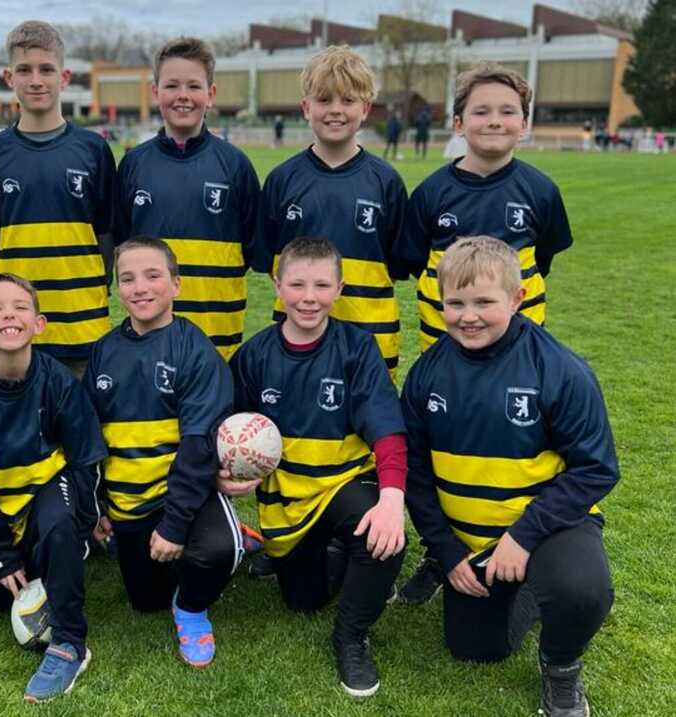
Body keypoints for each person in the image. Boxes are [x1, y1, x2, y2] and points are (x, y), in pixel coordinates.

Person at [401, 236, 616, 717]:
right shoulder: (427, 372)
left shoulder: (559, 369)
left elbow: (597, 468)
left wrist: (523, 536)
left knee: (581, 589)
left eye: (484, 301)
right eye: (454, 303)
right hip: (469, 537)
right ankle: (513, 586)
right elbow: (414, 472)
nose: (467, 315)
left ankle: (561, 667)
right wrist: (447, 550)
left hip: (546, 526)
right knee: (475, 649)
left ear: (517, 299)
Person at [396, 62, 573, 603]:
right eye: (481, 110)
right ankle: (439, 551)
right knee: (448, 450)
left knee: (511, 445)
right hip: (443, 355)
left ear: (524, 123)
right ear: (457, 121)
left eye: (507, 112)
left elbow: (540, 263)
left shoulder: (540, 191)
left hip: (519, 363)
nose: (494, 121)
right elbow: (411, 263)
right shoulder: (430, 193)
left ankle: (520, 545)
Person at [225, 237, 406, 698]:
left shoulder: (356, 349)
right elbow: (231, 429)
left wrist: (390, 498)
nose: (310, 296)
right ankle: (331, 553)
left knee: (380, 539)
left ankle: (350, 638)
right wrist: (228, 472)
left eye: (323, 285)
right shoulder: (255, 355)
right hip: (287, 496)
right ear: (277, 285)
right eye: (298, 284)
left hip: (344, 481)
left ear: (340, 288)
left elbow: (386, 429)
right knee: (301, 601)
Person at [0, 273, 107, 702]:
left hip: (51, 494)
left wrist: (82, 527)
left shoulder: (59, 382)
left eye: (19, 307)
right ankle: (40, 564)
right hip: (3, 521)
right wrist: (1, 555)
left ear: (38, 324)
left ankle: (70, 644)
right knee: (5, 600)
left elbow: (87, 460)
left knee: (59, 523)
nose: (8, 314)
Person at [83, 237, 242, 668]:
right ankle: (159, 562)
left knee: (218, 551)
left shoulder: (195, 350)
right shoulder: (102, 351)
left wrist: (174, 525)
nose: (140, 287)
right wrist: (96, 507)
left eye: (153, 276)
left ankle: (191, 608)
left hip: (182, 497)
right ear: (116, 288)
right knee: (144, 601)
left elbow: (198, 446)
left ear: (177, 284)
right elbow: (89, 439)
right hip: (129, 505)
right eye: (127, 278)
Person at [0, 21, 116, 379]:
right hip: (18, 325)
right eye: (24, 70)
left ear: (64, 76)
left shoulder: (93, 150)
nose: (36, 80)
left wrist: (92, 289)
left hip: (83, 321)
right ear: (9, 77)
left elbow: (108, 235)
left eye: (46, 69)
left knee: (83, 428)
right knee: (23, 430)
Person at [255, 46, 408, 381]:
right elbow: (270, 260)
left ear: (366, 108)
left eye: (348, 101)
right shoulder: (282, 180)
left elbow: (395, 264)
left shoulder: (386, 182)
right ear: (306, 108)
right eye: (324, 100)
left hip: (371, 334)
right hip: (296, 337)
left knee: (368, 423)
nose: (336, 111)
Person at [114, 36, 260, 361]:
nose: (183, 96)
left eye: (194, 86)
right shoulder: (133, 165)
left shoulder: (235, 166)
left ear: (211, 94)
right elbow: (122, 246)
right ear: (155, 93)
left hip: (217, 337)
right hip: (148, 339)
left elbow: (250, 250)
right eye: (171, 86)